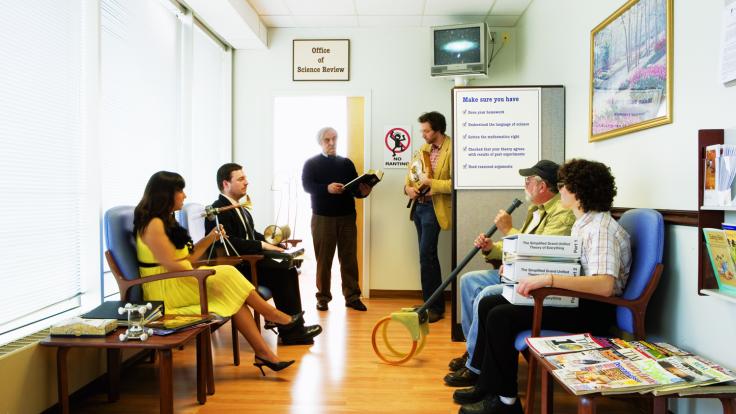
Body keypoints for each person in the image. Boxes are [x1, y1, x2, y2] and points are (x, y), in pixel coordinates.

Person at [454, 159, 632, 414]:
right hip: (573, 299)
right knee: (491, 303)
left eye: (564, 186)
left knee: (501, 316)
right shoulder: (584, 224)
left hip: (592, 309)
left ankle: (505, 403)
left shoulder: (600, 230)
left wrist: (547, 280)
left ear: (579, 191)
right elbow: (566, 265)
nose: (560, 191)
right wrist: (519, 270)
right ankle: (489, 386)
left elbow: (604, 285)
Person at [134, 171, 301, 376]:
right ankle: (271, 314)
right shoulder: (153, 224)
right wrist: (205, 273)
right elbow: (173, 266)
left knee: (235, 297)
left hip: (180, 281)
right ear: (165, 194)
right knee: (227, 274)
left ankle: (264, 354)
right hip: (167, 289)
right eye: (180, 190)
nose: (184, 196)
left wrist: (211, 238)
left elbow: (189, 258)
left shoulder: (167, 221)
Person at [445, 160, 575, 387]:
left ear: (542, 186)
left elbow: (541, 253)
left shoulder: (562, 214)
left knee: (486, 294)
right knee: (468, 281)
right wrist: (491, 248)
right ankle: (474, 349)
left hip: (533, 279)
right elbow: (516, 245)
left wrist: (507, 229)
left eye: (528, 181)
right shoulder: (536, 210)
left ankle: (476, 366)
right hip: (517, 272)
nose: (525, 185)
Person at [205, 163, 323, 345]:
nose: (247, 182)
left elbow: (251, 234)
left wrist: (273, 243)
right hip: (238, 269)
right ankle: (291, 331)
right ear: (226, 184)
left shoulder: (240, 208)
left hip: (250, 263)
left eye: (245, 178)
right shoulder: (217, 211)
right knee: (283, 273)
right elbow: (227, 243)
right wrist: (263, 245)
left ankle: (293, 328)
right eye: (241, 179)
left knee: (288, 268)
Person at [302, 127, 371, 312]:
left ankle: (352, 297)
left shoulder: (346, 163)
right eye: (327, 140)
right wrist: (327, 188)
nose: (332, 143)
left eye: (334, 139)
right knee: (324, 260)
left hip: (347, 217)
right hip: (322, 218)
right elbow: (307, 186)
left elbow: (356, 189)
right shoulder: (311, 163)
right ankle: (323, 297)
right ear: (320, 142)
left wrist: (364, 192)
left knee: (349, 258)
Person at [403, 111, 452, 323]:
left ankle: (435, 307)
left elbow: (455, 183)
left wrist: (434, 185)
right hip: (419, 208)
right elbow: (411, 174)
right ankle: (429, 303)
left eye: (426, 131)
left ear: (438, 130)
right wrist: (407, 189)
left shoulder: (452, 149)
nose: (423, 134)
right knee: (426, 257)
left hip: (434, 208)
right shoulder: (423, 149)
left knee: (427, 256)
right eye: (422, 130)